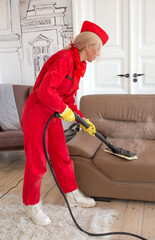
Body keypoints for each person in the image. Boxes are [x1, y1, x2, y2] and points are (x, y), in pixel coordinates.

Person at [21, 20, 109, 226]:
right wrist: (64, 110)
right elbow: (45, 91)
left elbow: (68, 99)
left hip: (52, 114)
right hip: (37, 113)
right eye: (98, 49)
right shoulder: (64, 59)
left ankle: (71, 194)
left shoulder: (79, 65)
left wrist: (82, 119)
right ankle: (31, 205)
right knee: (37, 162)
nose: (98, 54)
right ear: (88, 46)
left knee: (61, 155)